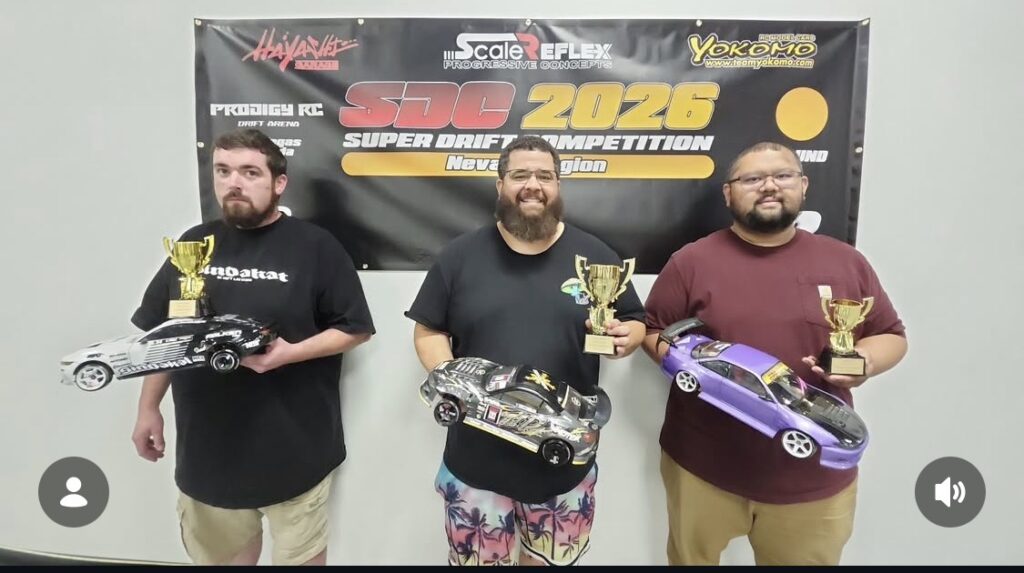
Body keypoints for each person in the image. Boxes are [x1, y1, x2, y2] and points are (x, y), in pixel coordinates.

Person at [642, 141, 908, 566]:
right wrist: (684, 364)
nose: (769, 186)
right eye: (752, 178)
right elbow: (654, 330)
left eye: (782, 175)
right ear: (729, 193)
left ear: (803, 186)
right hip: (702, 468)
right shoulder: (691, 262)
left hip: (812, 477)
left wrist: (863, 363)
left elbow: (891, 335)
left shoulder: (846, 263)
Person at [130, 128, 375, 566]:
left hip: (296, 451)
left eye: (249, 172)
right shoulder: (192, 246)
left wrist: (288, 354)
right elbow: (165, 334)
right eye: (223, 171)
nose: (234, 183)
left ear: (279, 183)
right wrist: (148, 407)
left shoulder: (315, 247)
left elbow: (356, 329)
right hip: (208, 452)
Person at [406, 135, 646, 566]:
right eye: (520, 175)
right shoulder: (459, 256)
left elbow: (633, 321)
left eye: (544, 176)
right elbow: (428, 330)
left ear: (558, 186)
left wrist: (627, 337)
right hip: (475, 461)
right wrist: (456, 383)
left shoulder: (595, 256)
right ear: (500, 185)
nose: (533, 185)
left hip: (564, 463)